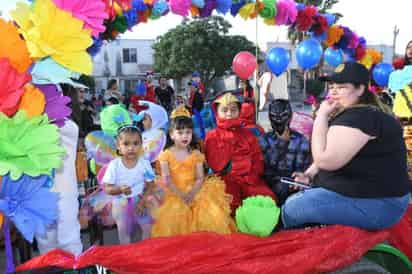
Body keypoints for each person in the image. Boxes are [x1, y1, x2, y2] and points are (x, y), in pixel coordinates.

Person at [282, 62, 410, 230]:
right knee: (299, 199)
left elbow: (324, 160)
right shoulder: (361, 112)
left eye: (341, 87)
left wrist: (321, 116)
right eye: (332, 86)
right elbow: (331, 149)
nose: (333, 91)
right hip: (372, 197)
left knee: (292, 209)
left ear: (360, 89)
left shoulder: (360, 117)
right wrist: (309, 174)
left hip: (378, 204)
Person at [151, 111, 234, 237]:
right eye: (180, 133)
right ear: (172, 135)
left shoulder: (196, 154)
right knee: (175, 214)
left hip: (195, 189)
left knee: (208, 211)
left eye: (188, 132)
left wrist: (191, 194)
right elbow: (167, 179)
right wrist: (182, 196)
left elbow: (200, 178)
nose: (185, 136)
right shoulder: (165, 155)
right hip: (174, 191)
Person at [205, 92, 277, 213]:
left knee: (267, 199)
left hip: (249, 180)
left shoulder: (248, 135)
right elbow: (216, 165)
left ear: (239, 111)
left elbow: (258, 159)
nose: (229, 114)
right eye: (224, 110)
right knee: (228, 204)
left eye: (233, 110)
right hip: (225, 181)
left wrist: (252, 176)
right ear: (217, 112)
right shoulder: (212, 136)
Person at [35, 119, 83, 255]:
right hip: (39, 193)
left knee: (69, 240)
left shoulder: (67, 126)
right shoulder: (26, 123)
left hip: (64, 192)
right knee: (46, 242)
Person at [102, 125, 155, 243]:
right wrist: (119, 189)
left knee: (147, 228)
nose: (131, 148)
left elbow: (151, 185)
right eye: (126, 144)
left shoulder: (144, 163)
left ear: (141, 145)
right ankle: (127, 253)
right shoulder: (114, 165)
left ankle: (145, 252)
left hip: (140, 200)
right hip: (121, 202)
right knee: (124, 231)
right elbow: (106, 188)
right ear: (118, 146)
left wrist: (143, 201)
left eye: (136, 143)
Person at [260, 99, 311, 204]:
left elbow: (303, 170)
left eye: (282, 116)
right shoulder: (263, 140)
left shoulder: (301, 141)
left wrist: (298, 180)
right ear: (269, 117)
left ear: (290, 116)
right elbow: (264, 170)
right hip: (270, 188)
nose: (278, 120)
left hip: (296, 188)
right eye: (274, 116)